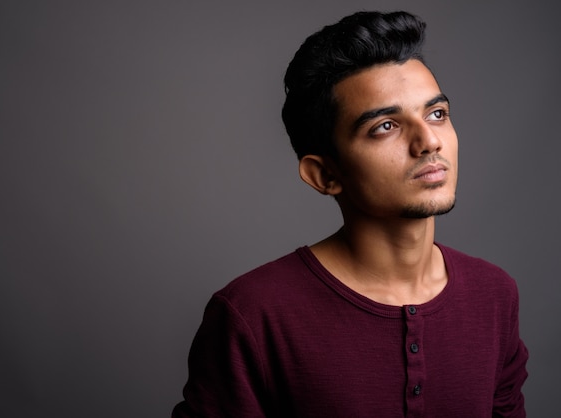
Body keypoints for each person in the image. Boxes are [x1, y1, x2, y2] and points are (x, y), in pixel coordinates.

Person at [172, 11, 528, 417]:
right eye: (386, 126)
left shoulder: (495, 295)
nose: (429, 141)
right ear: (324, 175)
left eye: (437, 114)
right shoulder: (253, 314)